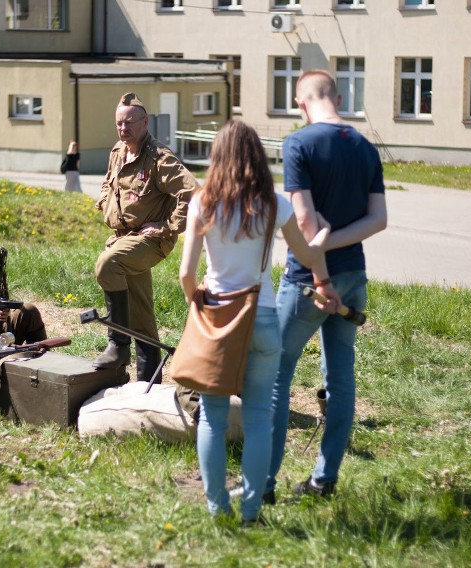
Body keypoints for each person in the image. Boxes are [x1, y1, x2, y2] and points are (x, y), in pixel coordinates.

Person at [179, 120, 329, 525]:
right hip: (263, 318)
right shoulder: (274, 204)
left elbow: (185, 274)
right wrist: (323, 235)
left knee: (212, 414)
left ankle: (216, 509)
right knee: (260, 414)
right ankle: (251, 511)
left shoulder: (202, 202)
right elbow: (308, 257)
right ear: (257, 158)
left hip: (219, 319)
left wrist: (200, 302)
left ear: (218, 157)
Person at [265, 69, 387, 502]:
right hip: (354, 275)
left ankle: (263, 483)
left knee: (276, 375)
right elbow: (378, 220)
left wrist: (319, 269)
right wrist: (334, 246)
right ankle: (324, 479)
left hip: (309, 281)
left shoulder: (299, 143)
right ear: (338, 96)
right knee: (341, 377)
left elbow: (302, 220)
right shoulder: (366, 148)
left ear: (301, 102)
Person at [94, 92, 197, 383]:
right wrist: (105, 202)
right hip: (125, 237)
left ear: (145, 122)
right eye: (118, 123)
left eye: (129, 123)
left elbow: (192, 192)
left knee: (108, 265)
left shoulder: (158, 158)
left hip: (150, 240)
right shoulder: (118, 151)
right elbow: (107, 183)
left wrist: (168, 226)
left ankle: (118, 345)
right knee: (140, 309)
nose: (123, 128)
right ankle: (148, 379)